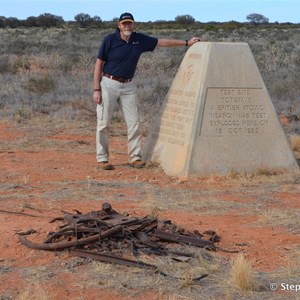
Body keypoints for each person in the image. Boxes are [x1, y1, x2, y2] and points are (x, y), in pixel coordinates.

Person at [93, 12, 201, 170]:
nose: (127, 26)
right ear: (119, 25)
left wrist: (186, 42)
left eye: (129, 23)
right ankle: (102, 158)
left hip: (128, 86)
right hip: (109, 84)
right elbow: (98, 64)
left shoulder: (139, 39)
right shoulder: (109, 40)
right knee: (103, 123)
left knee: (134, 123)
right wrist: (96, 88)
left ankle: (135, 158)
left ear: (133, 25)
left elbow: (161, 42)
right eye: (124, 24)